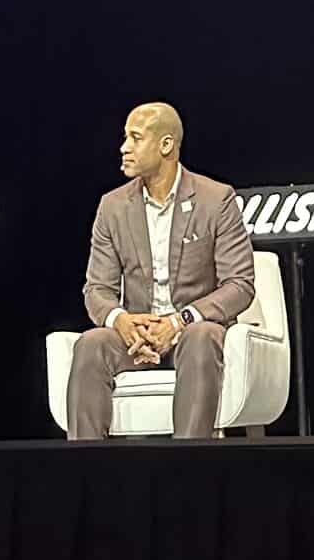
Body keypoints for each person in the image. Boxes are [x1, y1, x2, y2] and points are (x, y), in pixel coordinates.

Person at [66, 102, 257, 439]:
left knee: (202, 338)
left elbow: (239, 284)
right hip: (138, 337)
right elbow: (96, 289)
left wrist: (178, 321)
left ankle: (186, 469)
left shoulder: (216, 199)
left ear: (166, 145)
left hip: (191, 330)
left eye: (135, 138)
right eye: (125, 137)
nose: (123, 147)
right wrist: (121, 321)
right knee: (90, 345)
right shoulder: (112, 206)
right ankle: (86, 472)